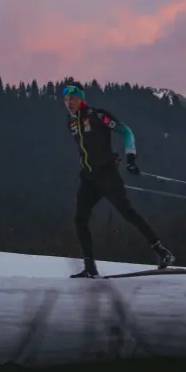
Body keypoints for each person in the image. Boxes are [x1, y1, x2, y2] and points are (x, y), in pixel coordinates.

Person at [62, 82, 176, 278]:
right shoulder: (71, 122)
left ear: (81, 98)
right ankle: (90, 267)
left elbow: (126, 131)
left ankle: (162, 252)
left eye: (72, 98)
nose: (68, 103)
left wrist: (130, 158)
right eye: (65, 99)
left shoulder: (97, 115)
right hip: (89, 178)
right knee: (80, 219)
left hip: (107, 175)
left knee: (127, 212)